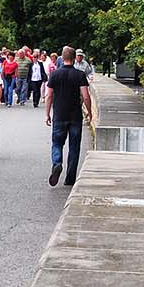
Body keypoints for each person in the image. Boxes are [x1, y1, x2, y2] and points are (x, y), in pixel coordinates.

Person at [46, 46, 95, 187]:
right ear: (74, 59)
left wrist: (47, 114)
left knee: (57, 143)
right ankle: (70, 178)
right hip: (75, 116)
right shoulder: (79, 75)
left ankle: (57, 163)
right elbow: (85, 96)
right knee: (74, 147)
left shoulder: (55, 74)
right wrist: (90, 112)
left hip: (59, 115)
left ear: (62, 58)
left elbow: (49, 95)